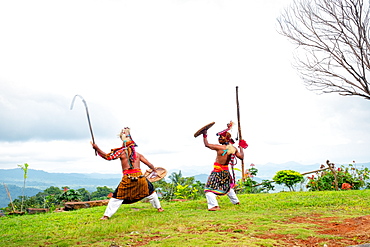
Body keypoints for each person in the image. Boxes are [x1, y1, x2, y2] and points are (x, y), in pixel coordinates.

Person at [91, 127, 164, 220]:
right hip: (140, 177)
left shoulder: (121, 153)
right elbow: (150, 164)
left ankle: (106, 216)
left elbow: (107, 157)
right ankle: (159, 208)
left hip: (128, 178)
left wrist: (97, 148)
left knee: (116, 197)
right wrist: (155, 170)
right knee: (151, 192)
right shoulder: (138, 154)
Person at [201, 121, 247, 211]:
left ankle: (214, 206)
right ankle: (236, 201)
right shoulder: (233, 148)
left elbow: (207, 144)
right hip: (226, 172)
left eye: (221, 137)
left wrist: (204, 135)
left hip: (217, 172)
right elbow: (241, 157)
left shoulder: (220, 147)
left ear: (226, 138)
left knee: (209, 189)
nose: (219, 139)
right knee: (227, 186)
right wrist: (241, 146)